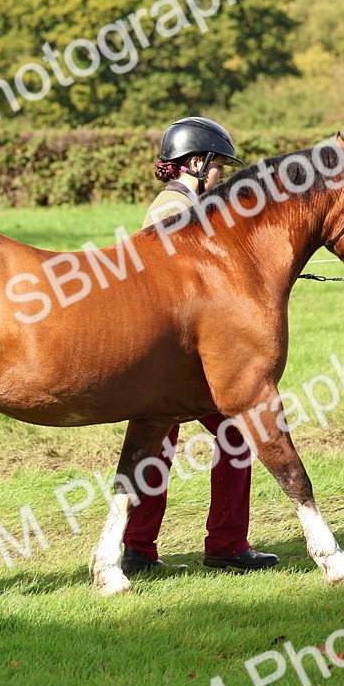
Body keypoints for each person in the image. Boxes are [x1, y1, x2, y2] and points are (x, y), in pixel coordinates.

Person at [122, 117, 281, 575]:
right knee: (230, 435)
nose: (222, 177)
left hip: (185, 355)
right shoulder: (172, 210)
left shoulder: (188, 204)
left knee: (165, 447)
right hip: (181, 359)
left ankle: (142, 548)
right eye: (218, 168)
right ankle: (224, 545)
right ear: (195, 163)